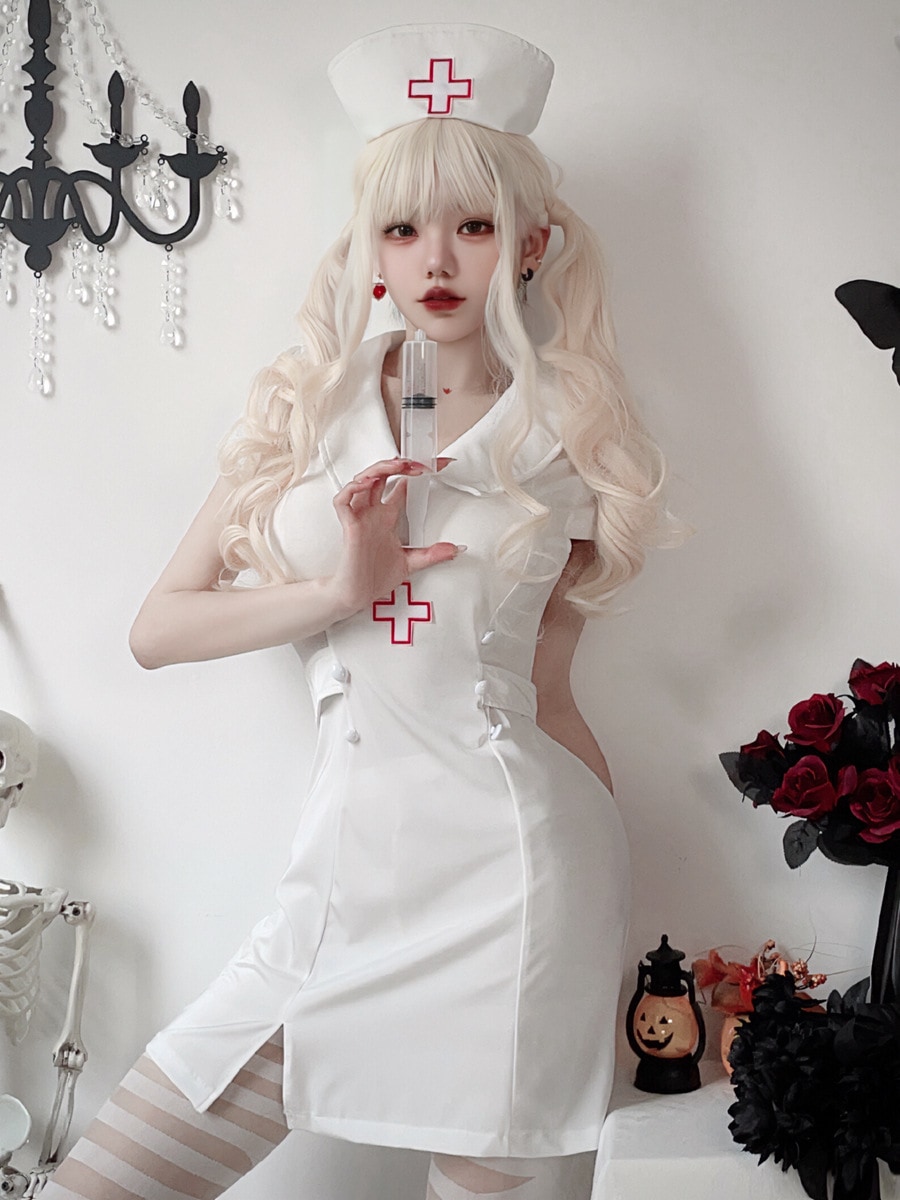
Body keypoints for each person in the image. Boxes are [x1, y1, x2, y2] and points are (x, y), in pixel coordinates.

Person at [41, 22, 667, 1200]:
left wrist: (610, 897)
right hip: (336, 891)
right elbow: (158, 630)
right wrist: (338, 591)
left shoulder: (568, 441)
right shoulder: (306, 412)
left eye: (474, 226)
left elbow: (550, 695)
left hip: (517, 891)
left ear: (531, 244)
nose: (438, 260)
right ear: (370, 246)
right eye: (403, 227)